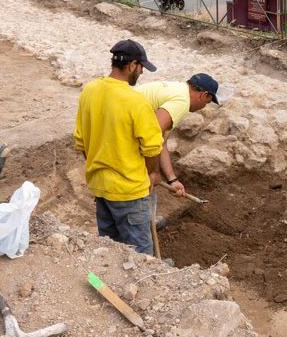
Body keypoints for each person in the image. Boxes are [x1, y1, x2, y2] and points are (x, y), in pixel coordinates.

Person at [73, 40, 164, 254]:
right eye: (141, 67)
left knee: (110, 252)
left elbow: (81, 141)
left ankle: (111, 285)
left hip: (100, 188)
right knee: (141, 255)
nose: (141, 72)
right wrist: (152, 173)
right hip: (129, 192)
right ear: (132, 65)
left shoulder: (90, 90)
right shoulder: (136, 101)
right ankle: (143, 287)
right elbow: (152, 148)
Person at [134, 73, 222, 201]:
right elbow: (153, 134)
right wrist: (153, 172)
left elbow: (160, 141)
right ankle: (141, 219)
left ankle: (146, 218)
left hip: (115, 131)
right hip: (121, 136)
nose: (203, 107)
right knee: (142, 187)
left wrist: (172, 179)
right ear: (203, 95)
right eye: (206, 103)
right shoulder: (182, 101)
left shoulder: (176, 90)